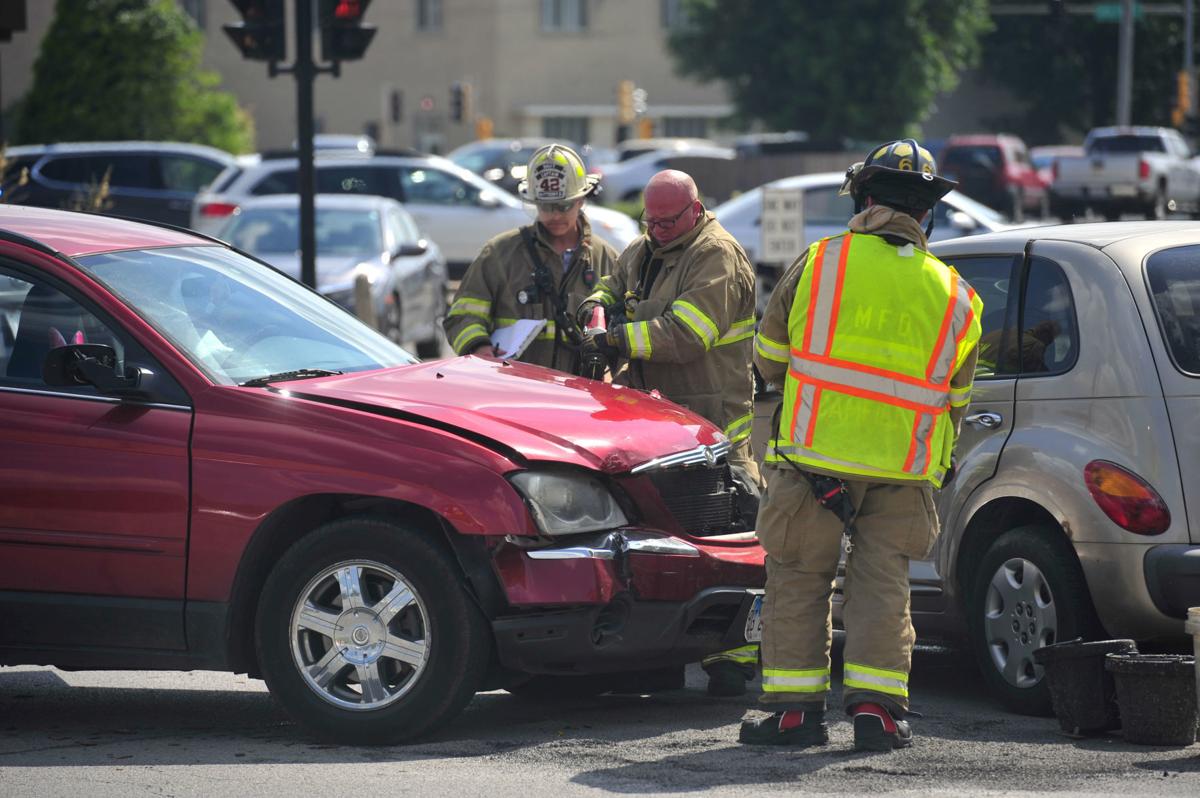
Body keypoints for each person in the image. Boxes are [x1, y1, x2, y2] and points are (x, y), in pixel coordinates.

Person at [739, 140, 982, 751]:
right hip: (903, 469)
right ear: (925, 214)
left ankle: (794, 717)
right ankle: (878, 713)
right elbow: (957, 399)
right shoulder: (957, 295)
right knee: (883, 585)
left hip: (812, 458)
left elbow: (768, 360)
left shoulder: (820, 263)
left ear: (864, 200)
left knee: (799, 577)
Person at [576, 169, 760, 696]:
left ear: (694, 211)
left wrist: (616, 341)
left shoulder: (715, 256)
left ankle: (734, 657)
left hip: (712, 428)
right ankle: (665, 647)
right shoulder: (645, 247)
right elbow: (612, 285)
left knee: (729, 535)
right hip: (656, 425)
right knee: (662, 540)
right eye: (649, 220)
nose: (656, 229)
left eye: (666, 221)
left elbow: (689, 332)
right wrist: (597, 306)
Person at [443, 143, 618, 374]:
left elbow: (621, 331)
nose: (554, 215)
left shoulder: (605, 259)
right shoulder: (499, 254)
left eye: (563, 205)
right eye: (545, 206)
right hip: (516, 392)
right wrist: (478, 346)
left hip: (580, 397)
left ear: (581, 200)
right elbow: (462, 315)